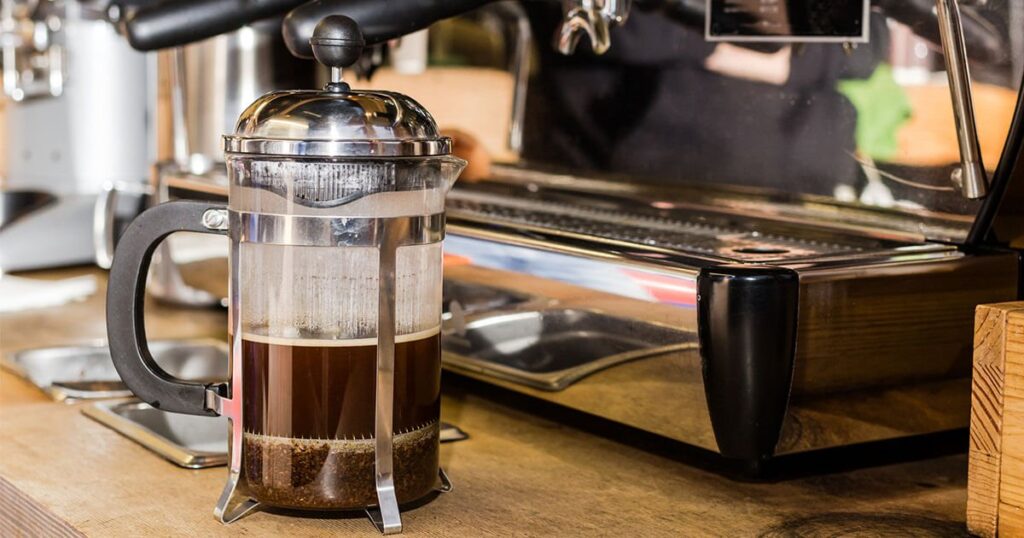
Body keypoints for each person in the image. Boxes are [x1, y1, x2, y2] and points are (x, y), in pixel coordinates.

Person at [517, 6, 889, 197]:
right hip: (626, 190)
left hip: (808, 196)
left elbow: (865, 45)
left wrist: (782, 60)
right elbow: (597, 23)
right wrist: (753, 51)